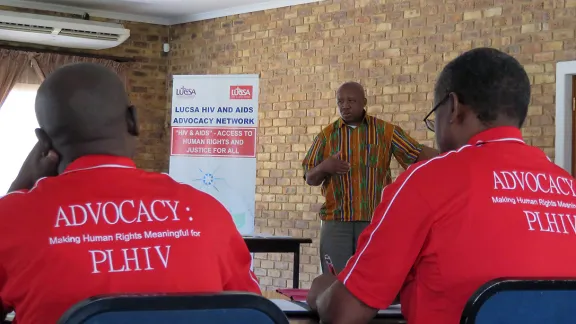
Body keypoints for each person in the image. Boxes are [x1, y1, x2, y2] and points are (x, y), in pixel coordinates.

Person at [306, 47, 576, 324]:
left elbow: (343, 314)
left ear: (454, 107)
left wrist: (320, 292)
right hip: (339, 218)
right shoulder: (570, 187)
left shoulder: (426, 180)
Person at [0, 63, 260, 324]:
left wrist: (16, 189)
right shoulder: (207, 211)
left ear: (43, 142)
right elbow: (252, 313)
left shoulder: (11, 218)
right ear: (134, 121)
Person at [302, 81, 438, 273]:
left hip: (374, 222)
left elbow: (416, 155)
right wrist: (325, 167)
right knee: (333, 282)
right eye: (340, 101)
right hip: (336, 222)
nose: (345, 105)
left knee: (372, 278)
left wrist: (456, 153)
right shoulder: (326, 136)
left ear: (364, 102)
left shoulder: (386, 132)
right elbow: (309, 177)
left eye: (351, 100)